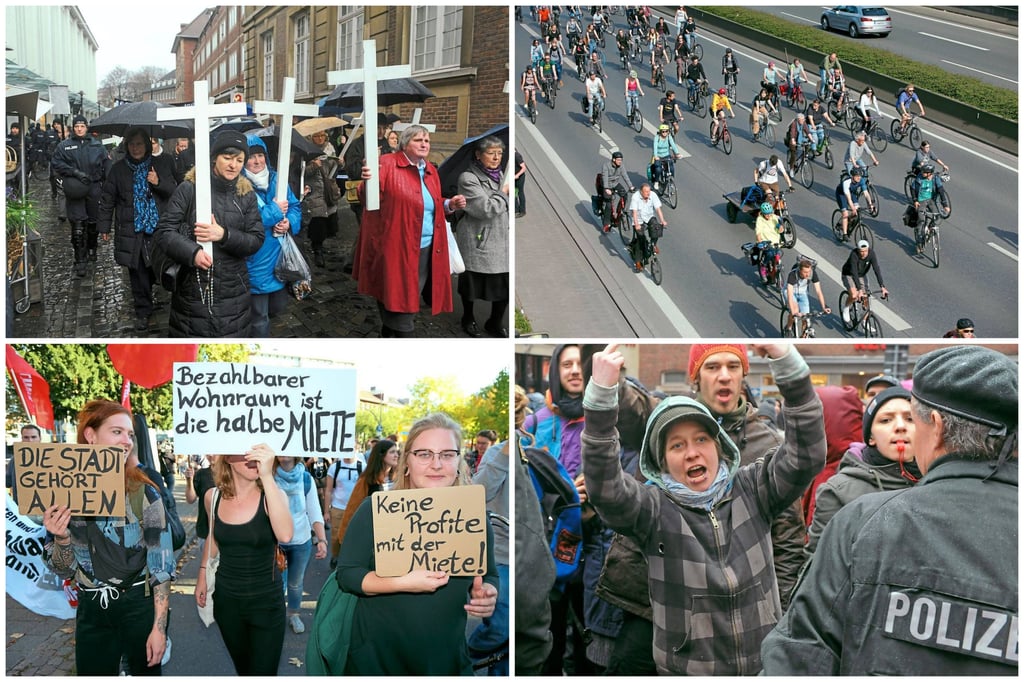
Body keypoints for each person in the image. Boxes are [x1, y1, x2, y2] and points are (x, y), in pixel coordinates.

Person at [763, 345, 1017, 675]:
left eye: (912, 419)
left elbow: (800, 657)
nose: (902, 429)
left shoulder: (862, 523)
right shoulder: (851, 503)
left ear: (936, 427)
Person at [581, 343, 825, 674]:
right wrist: (601, 395)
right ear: (661, 462)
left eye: (701, 440)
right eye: (677, 445)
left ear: (720, 446)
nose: (692, 453)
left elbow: (806, 455)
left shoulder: (753, 487)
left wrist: (789, 365)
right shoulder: (654, 510)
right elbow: (606, 489)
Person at [336, 413, 499, 675]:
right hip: (376, 661)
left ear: (459, 460)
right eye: (424, 454)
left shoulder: (472, 516)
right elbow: (347, 575)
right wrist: (403, 582)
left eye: (447, 454)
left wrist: (488, 593)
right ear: (407, 461)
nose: (436, 464)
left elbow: (488, 573)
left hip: (445, 662)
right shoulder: (376, 510)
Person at [42, 399, 175, 675]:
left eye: (129, 434)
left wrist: (158, 629)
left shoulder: (144, 493)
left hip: (137, 606)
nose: (126, 441)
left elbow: (161, 569)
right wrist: (62, 539)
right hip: (92, 609)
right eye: (117, 432)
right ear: (90, 436)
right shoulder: (62, 491)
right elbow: (62, 569)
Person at [353, 125, 467, 337]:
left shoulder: (431, 170)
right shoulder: (386, 163)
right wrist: (367, 181)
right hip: (396, 247)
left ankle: (387, 336)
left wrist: (449, 204)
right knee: (400, 304)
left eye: (427, 141)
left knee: (406, 300)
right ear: (405, 144)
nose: (424, 144)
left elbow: (429, 203)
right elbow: (367, 199)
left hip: (427, 249)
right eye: (418, 140)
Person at [152, 129, 265, 337]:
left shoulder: (246, 194)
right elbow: (164, 231)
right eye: (228, 158)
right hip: (192, 291)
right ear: (214, 158)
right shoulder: (189, 188)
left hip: (233, 291)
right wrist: (192, 252)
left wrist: (224, 235)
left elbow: (256, 239)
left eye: (240, 160)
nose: (234, 165)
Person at [195, 447, 293, 675]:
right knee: (245, 671)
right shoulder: (213, 497)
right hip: (227, 603)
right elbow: (213, 536)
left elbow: (286, 535)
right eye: (243, 451)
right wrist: (201, 575)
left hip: (267, 604)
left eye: (256, 451)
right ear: (227, 457)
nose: (252, 457)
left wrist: (267, 476)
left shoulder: (274, 496)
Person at [806, 386, 919, 555]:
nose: (900, 426)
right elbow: (819, 564)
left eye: (910, 419)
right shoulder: (838, 492)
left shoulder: (940, 482)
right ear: (870, 437)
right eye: (886, 420)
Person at [97, 126, 178, 332]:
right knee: (138, 271)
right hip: (132, 229)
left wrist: (157, 182)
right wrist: (104, 226)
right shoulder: (118, 170)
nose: (135, 148)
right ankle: (143, 311)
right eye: (132, 144)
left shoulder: (161, 164)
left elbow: (175, 192)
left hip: (158, 228)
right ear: (126, 145)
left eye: (139, 144)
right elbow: (107, 200)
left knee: (154, 269)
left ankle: (149, 295)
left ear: (147, 145)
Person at [240, 134, 301, 337]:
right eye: (251, 156)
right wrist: (275, 213)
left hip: (279, 257)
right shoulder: (239, 186)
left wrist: (289, 222)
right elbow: (244, 221)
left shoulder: (277, 179)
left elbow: (294, 206)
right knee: (260, 317)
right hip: (255, 259)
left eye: (260, 155)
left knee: (277, 306)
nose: (257, 161)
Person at [455, 135, 510, 339]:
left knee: (504, 285)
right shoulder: (468, 178)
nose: (496, 157)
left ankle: (495, 322)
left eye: (499, 153)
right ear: (478, 155)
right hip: (478, 240)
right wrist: (504, 193)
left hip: (501, 239)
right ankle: (468, 318)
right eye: (491, 153)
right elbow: (486, 209)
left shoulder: (502, 175)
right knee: (471, 284)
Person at [467, 434, 510, 673]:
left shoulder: (539, 445)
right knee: (501, 625)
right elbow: (477, 495)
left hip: (531, 556)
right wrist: (504, 458)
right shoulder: (497, 453)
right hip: (501, 555)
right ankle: (464, 659)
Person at [51, 114, 110, 278]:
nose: (79, 129)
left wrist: (107, 186)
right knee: (78, 227)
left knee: (92, 224)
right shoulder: (65, 146)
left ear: (86, 127)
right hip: (75, 188)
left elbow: (106, 165)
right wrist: (74, 173)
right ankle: (80, 259)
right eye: (76, 126)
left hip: (94, 187)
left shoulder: (97, 146)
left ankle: (92, 246)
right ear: (73, 127)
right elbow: (56, 163)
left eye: (82, 126)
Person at [273, 456, 327, 634]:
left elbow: (314, 510)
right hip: (276, 542)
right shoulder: (268, 477)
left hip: (300, 541)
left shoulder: (305, 478)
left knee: (295, 583)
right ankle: (276, 614)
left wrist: (322, 540)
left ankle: (294, 615)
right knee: (276, 582)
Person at [336, 440, 399, 547]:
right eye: (392, 452)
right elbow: (353, 508)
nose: (396, 455)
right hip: (373, 533)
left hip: (395, 531)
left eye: (397, 452)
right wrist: (344, 537)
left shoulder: (399, 478)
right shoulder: (367, 480)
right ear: (381, 455)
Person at [302, 130, 341, 268]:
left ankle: (322, 246)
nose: (319, 138)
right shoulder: (305, 151)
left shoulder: (329, 149)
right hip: (314, 192)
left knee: (328, 221)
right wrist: (313, 166)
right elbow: (301, 172)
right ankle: (317, 249)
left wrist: (339, 164)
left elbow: (333, 172)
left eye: (322, 136)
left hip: (328, 191)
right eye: (316, 136)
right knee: (317, 222)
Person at [841, 240, 888, 325]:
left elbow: (876, 269)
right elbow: (854, 272)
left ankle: (864, 321)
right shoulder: (854, 255)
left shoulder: (871, 254)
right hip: (849, 274)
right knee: (854, 295)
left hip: (861, 275)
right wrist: (859, 290)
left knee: (866, 297)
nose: (864, 253)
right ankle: (846, 308)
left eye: (865, 251)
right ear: (858, 250)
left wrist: (882, 286)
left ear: (868, 249)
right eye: (861, 251)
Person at [784, 258, 830, 334]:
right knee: (795, 311)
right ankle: (788, 328)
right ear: (800, 270)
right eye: (805, 272)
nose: (807, 274)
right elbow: (789, 294)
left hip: (802, 293)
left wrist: (824, 307)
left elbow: (818, 291)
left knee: (806, 318)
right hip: (790, 292)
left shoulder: (812, 274)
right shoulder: (792, 275)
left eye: (809, 271)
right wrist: (793, 313)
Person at [628, 183, 667, 273]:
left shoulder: (652, 195)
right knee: (640, 239)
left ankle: (653, 244)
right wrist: (637, 224)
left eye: (649, 191)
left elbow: (658, 209)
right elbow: (634, 212)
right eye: (646, 192)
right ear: (641, 192)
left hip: (649, 217)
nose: (648, 193)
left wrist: (662, 220)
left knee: (656, 228)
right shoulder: (635, 197)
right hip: (638, 219)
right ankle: (638, 261)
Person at [834, 166, 873, 240]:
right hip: (841, 194)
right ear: (852, 176)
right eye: (857, 176)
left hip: (851, 193)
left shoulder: (861, 180)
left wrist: (870, 204)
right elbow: (848, 199)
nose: (859, 178)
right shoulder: (846, 183)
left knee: (856, 212)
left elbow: (866, 193)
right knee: (845, 213)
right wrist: (852, 208)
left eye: (860, 176)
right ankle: (844, 234)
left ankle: (848, 221)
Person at [600, 150, 633, 232]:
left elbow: (625, 176)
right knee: (608, 204)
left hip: (615, 184)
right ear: (613, 160)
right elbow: (605, 178)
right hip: (607, 185)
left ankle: (620, 211)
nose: (620, 162)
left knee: (625, 195)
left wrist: (631, 186)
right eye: (618, 160)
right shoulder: (606, 166)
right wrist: (607, 189)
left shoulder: (621, 166)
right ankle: (606, 224)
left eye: (621, 160)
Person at [751, 202, 783, 284]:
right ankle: (763, 266)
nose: (769, 215)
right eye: (766, 214)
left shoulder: (774, 217)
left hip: (776, 242)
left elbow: (779, 228)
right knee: (769, 254)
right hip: (766, 243)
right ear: (762, 213)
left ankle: (775, 268)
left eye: (770, 213)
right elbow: (758, 232)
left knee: (779, 253)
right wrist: (760, 241)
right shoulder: (760, 220)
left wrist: (780, 227)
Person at [651, 123, 683, 190]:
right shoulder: (657, 137)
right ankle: (656, 182)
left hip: (666, 155)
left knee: (671, 168)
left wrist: (677, 153)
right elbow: (655, 147)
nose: (665, 133)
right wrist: (656, 156)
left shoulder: (669, 137)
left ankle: (671, 182)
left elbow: (673, 145)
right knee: (658, 169)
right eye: (663, 131)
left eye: (666, 131)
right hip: (659, 156)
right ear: (660, 131)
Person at [514, 149, 526, 218]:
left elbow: (524, 168)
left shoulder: (516, 156)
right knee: (514, 193)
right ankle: (515, 209)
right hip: (513, 177)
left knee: (520, 193)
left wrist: (517, 175)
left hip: (519, 178)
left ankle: (522, 211)